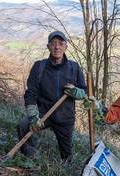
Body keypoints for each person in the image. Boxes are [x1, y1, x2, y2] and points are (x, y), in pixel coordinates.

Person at [17, 30, 86, 163]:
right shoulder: (39, 67)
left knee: (67, 156)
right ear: (48, 46)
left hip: (65, 117)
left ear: (66, 46)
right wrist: (33, 116)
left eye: (61, 43)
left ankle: (65, 169)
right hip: (44, 114)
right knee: (23, 125)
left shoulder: (74, 68)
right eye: (53, 43)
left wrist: (77, 92)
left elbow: (85, 92)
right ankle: (30, 155)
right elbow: (30, 93)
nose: (57, 47)